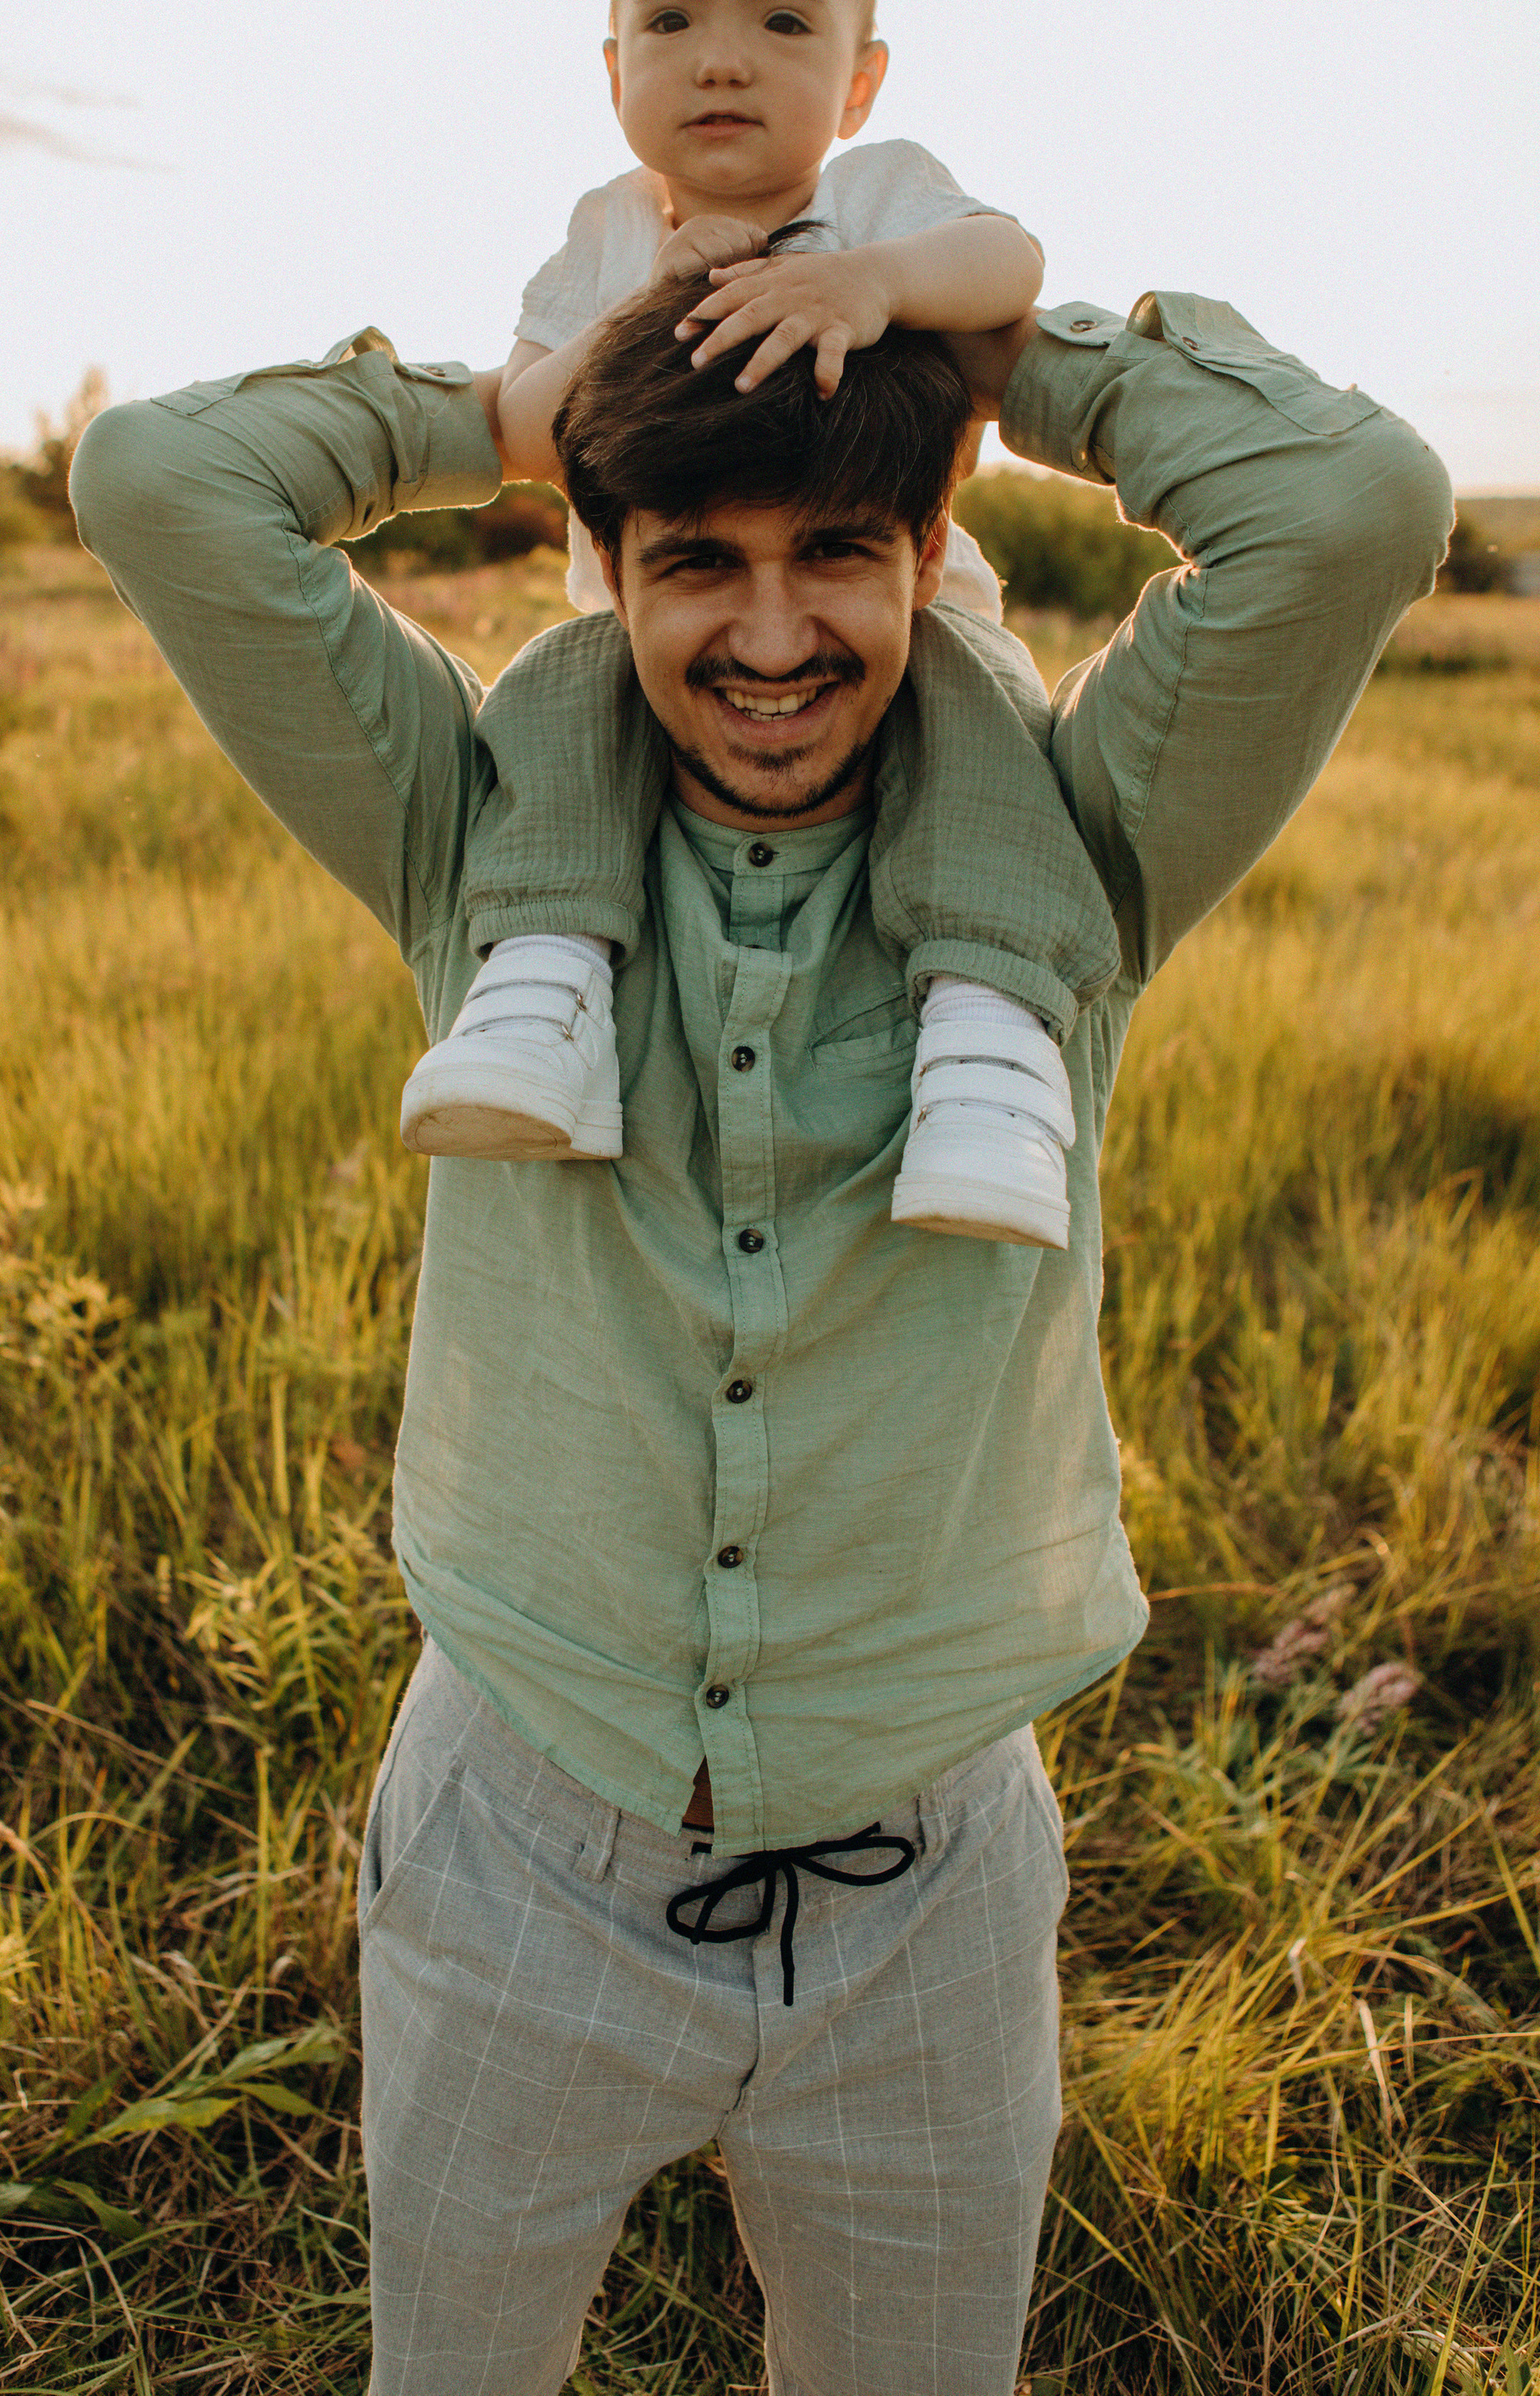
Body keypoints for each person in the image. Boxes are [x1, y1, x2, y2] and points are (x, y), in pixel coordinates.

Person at [70, 269, 1451, 2395]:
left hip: (930, 1902)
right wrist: (530, 409)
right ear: (605, 563)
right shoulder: (469, 844)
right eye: (698, 559)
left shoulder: (1088, 853)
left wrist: (980, 353)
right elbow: (166, 479)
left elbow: (1353, 507)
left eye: (842, 554)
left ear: (928, 557)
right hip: (522, 1851)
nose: (776, 635)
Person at [399, 0, 1121, 1251]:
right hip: (653, 635)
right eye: (673, 20)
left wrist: (875, 282)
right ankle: (542, 987)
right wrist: (635, 319)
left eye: (782, 20)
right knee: (556, 714)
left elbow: (1011, 268)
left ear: (860, 80)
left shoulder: (878, 199)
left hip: (910, 630)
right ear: (613, 71)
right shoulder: (607, 236)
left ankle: (985, 1045)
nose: (721, 59)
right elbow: (529, 421)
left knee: (983, 748)